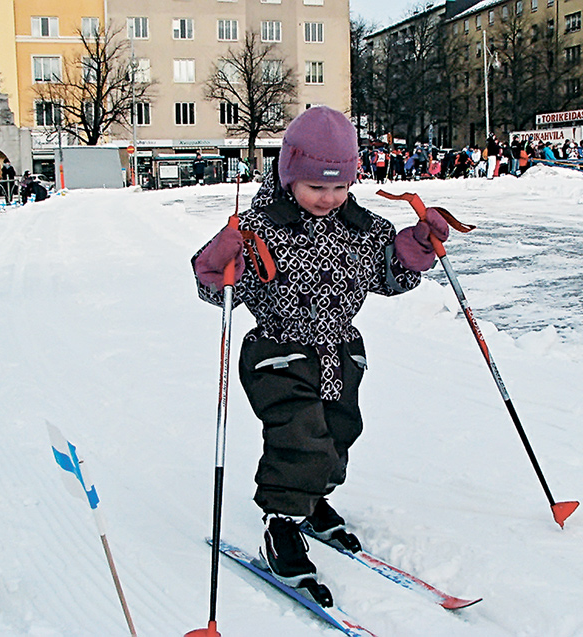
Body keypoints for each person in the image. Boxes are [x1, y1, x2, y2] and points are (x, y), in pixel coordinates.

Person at [191, 106, 448, 597]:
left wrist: (413, 249)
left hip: (340, 349)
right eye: (316, 187)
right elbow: (216, 292)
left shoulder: (363, 227)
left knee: (339, 432)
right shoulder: (256, 228)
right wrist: (216, 267)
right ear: (289, 174)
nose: (328, 198)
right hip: (277, 349)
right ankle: (282, 525)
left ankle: (311, 500)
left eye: (339, 187)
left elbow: (389, 275)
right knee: (299, 437)